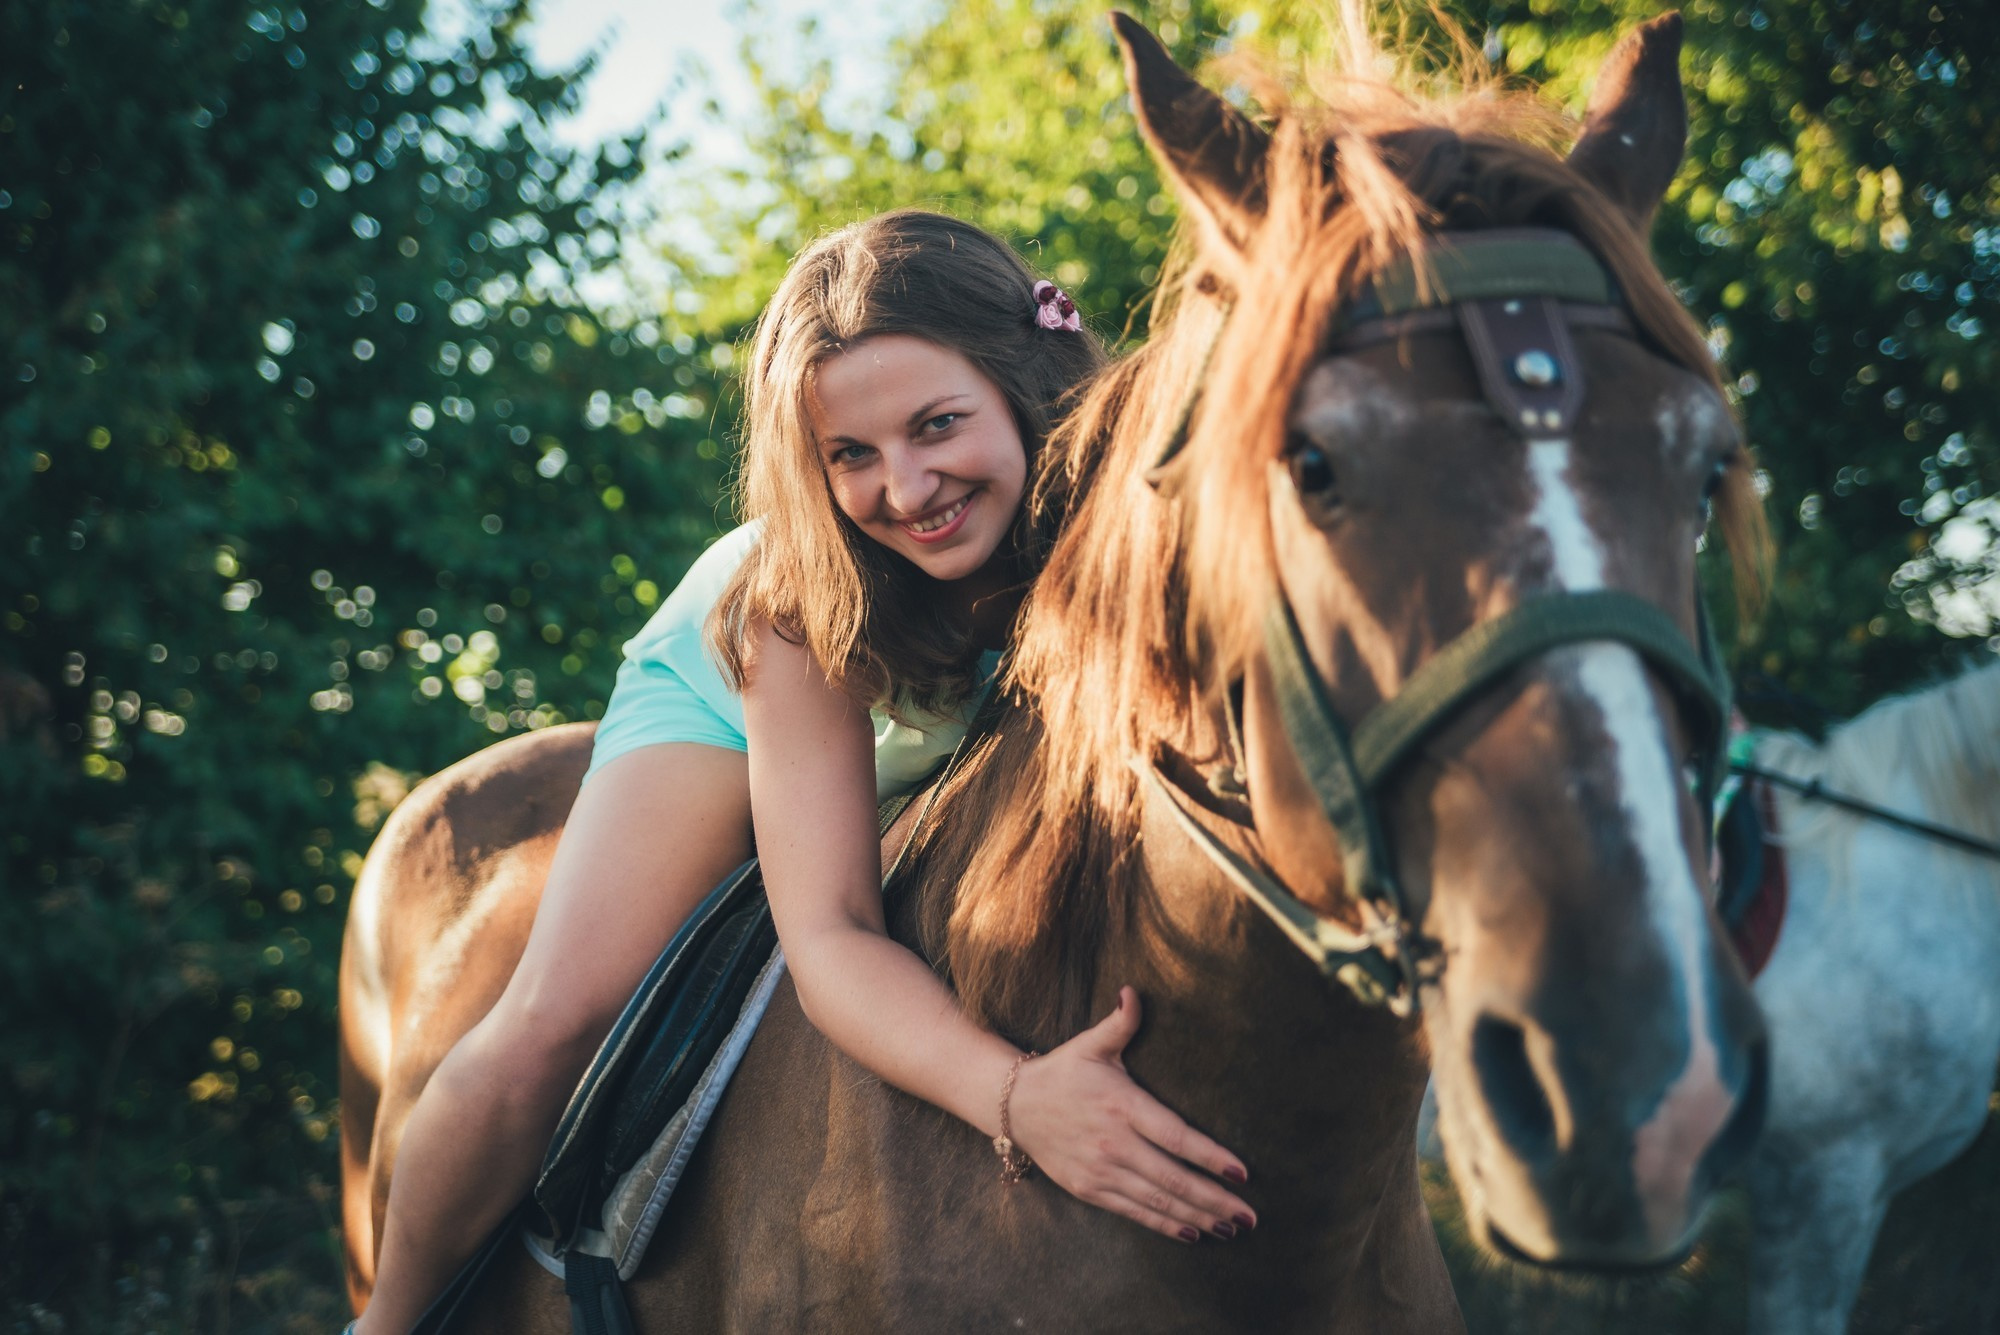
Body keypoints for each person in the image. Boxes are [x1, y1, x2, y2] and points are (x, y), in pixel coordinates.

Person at [355, 210, 1255, 1332]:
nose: (907, 488)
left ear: (1024, 385)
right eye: (851, 456)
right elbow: (827, 936)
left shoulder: (1124, 509)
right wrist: (1015, 1097)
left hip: (944, 740)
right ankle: (387, 1321)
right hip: (730, 711)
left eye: (937, 425)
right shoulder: (799, 595)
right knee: (555, 1018)